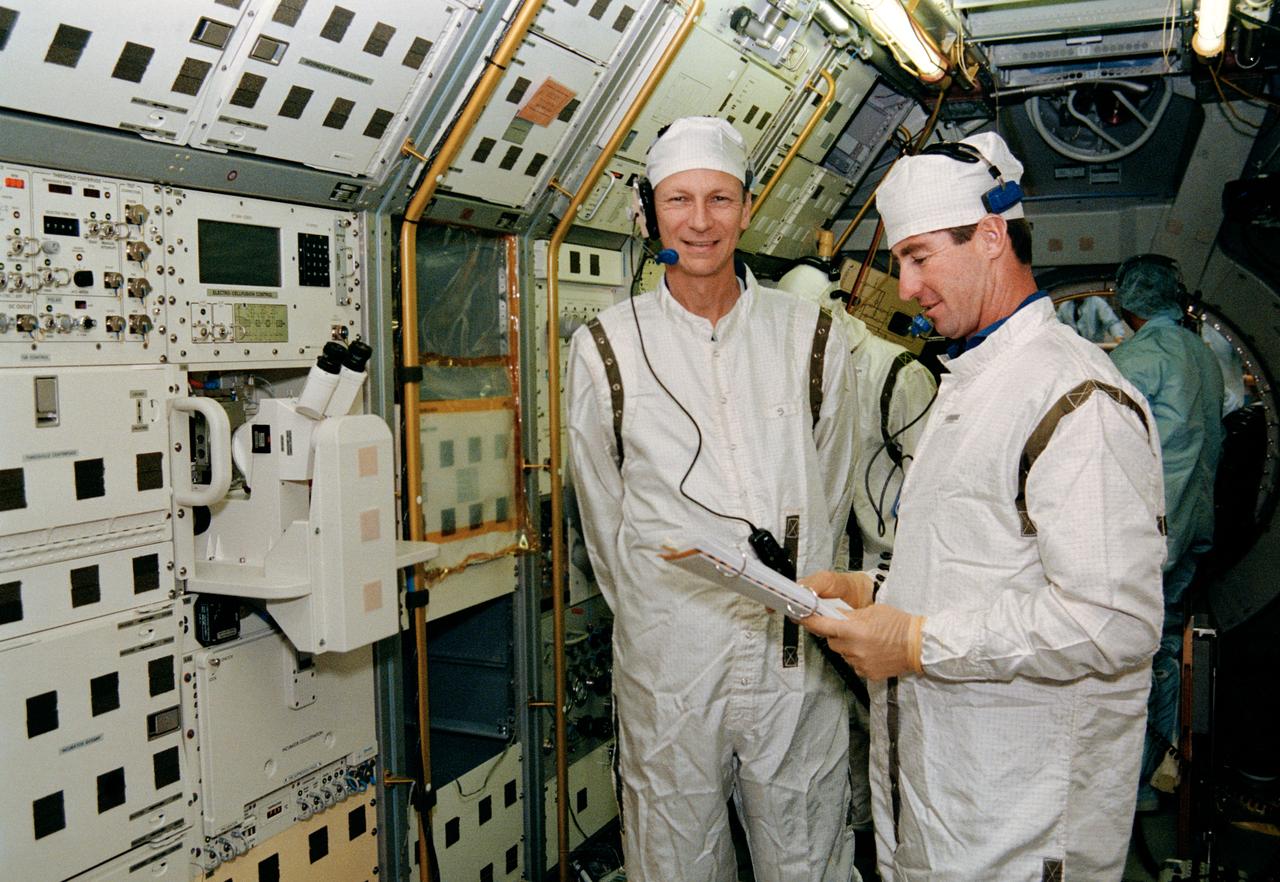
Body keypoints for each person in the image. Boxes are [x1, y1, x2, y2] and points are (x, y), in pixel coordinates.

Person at [800, 131, 1167, 880]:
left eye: (919, 256)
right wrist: (874, 594)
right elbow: (984, 563)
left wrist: (917, 643)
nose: (903, 287)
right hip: (945, 804)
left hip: (1020, 827)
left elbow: (1114, 621)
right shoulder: (973, 382)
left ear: (992, 235)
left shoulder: (1072, 398)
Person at [567, 116, 858, 881]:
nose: (700, 222)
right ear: (648, 211)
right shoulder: (606, 345)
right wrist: (658, 617)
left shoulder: (814, 337)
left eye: (720, 198)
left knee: (807, 849)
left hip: (790, 652)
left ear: (748, 208)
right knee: (675, 855)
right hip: (671, 659)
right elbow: (604, 516)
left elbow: (829, 488)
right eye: (680, 199)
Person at [777, 259, 936, 853]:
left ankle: (891, 843)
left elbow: (927, 490)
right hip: (829, 575)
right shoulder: (801, 372)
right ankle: (857, 836)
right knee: (842, 716)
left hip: (886, 575)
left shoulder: (899, 375)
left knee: (886, 721)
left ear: (839, 308)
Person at [1109, 254, 1225, 811]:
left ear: (1125, 299)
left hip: (1150, 534)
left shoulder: (1136, 359)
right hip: (1193, 523)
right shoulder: (1202, 355)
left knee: (1130, 657)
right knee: (1164, 648)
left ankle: (1133, 785)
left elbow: (1103, 448)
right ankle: (1161, 774)